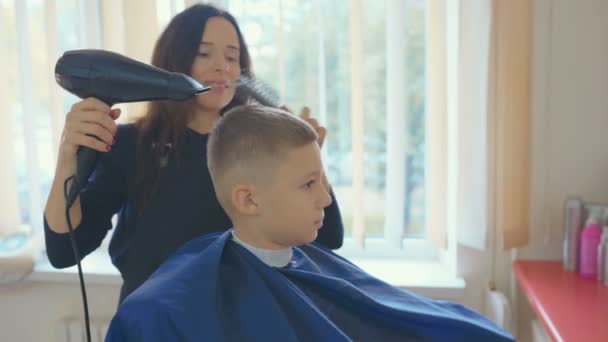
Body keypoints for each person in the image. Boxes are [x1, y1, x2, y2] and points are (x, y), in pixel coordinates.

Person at [105, 105, 515, 342]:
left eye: (323, 180)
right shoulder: (169, 307)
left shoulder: (315, 266)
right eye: (308, 184)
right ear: (248, 199)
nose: (324, 198)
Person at [43, 4, 344, 303]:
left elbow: (330, 238)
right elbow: (64, 251)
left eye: (232, 56)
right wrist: (68, 156)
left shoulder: (261, 149)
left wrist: (307, 158)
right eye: (204, 53)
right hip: (154, 326)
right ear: (174, 60)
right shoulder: (128, 144)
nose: (222, 66)